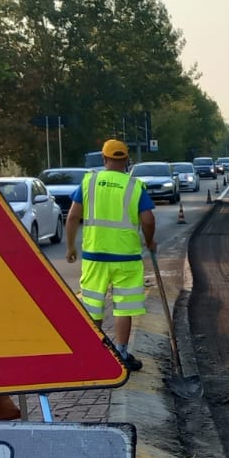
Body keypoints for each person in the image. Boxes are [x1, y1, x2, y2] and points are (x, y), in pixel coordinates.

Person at [64, 139, 156, 371]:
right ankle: (122, 353)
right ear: (126, 160)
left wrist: (71, 246)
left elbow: (73, 216)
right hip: (126, 258)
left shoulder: (89, 182)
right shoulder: (135, 186)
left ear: (104, 159)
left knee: (93, 305)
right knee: (123, 308)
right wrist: (149, 241)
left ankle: (94, 353)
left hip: (95, 256)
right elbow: (148, 219)